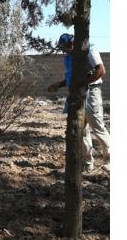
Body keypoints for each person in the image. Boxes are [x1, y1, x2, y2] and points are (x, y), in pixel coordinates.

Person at [48, 33, 110, 172]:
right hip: (77, 94)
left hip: (91, 92)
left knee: (97, 127)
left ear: (72, 43)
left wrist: (82, 83)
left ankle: (110, 158)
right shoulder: (70, 58)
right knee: (81, 131)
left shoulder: (89, 51)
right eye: (63, 49)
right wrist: (59, 84)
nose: (65, 51)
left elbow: (100, 70)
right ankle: (88, 163)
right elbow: (72, 78)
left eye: (66, 47)